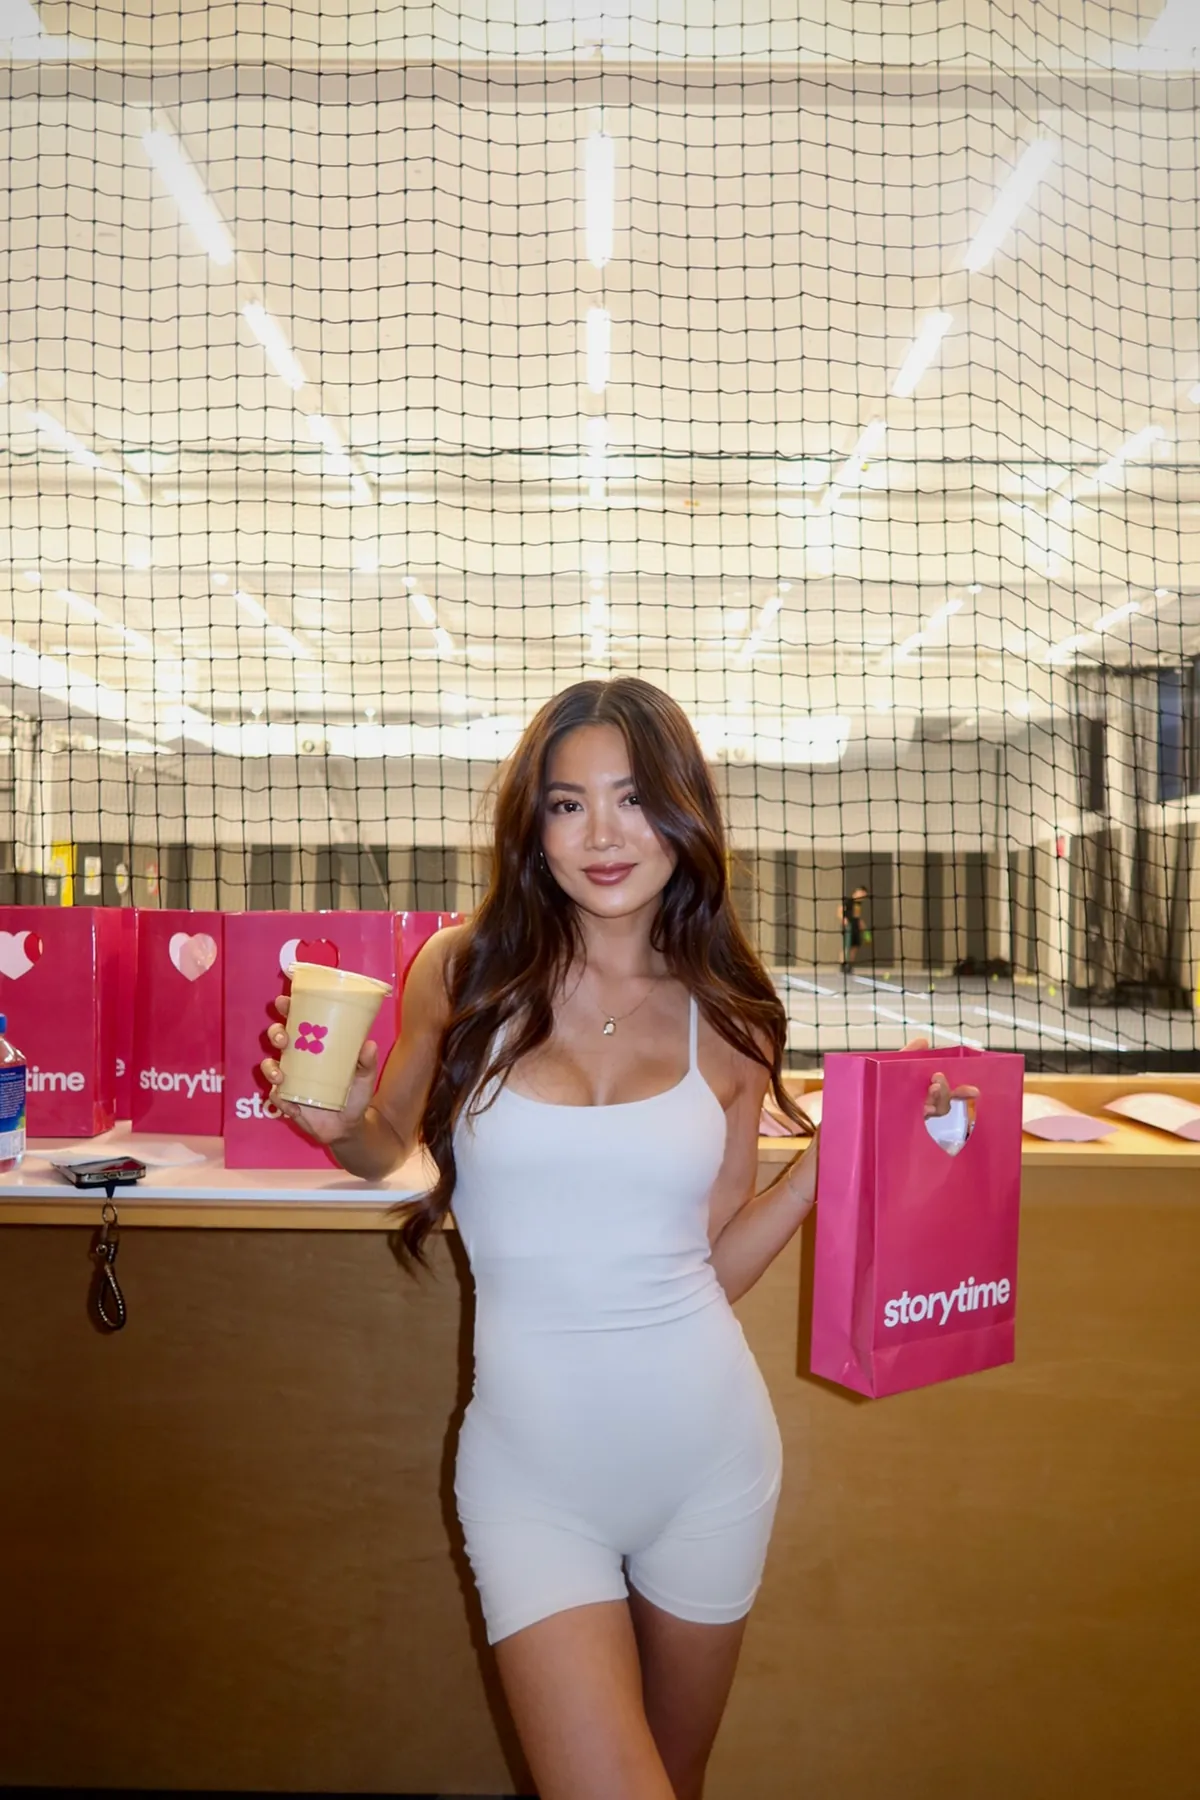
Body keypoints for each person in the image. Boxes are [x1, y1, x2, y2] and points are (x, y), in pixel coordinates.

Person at [260, 678, 963, 1800]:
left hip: (711, 1467)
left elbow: (709, 1264)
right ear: (533, 827)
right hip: (529, 1481)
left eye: (633, 799)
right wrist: (344, 1128)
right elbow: (391, 1145)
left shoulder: (733, 1015)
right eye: (567, 803)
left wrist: (820, 1172)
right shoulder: (462, 971)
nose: (602, 835)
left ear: (682, 813)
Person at [839, 884, 870, 971]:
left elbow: (857, 917)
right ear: (857, 892)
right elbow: (840, 911)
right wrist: (844, 919)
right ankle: (843, 965)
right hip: (848, 927)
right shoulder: (848, 901)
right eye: (862, 893)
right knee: (847, 946)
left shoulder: (858, 904)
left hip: (855, 927)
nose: (863, 896)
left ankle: (849, 965)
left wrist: (864, 929)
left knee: (855, 947)